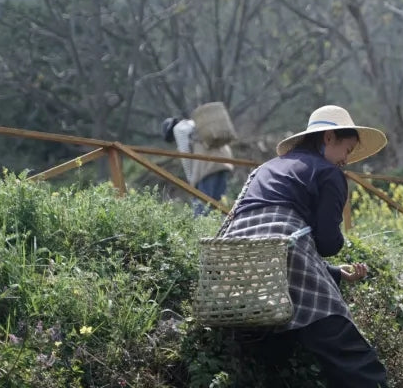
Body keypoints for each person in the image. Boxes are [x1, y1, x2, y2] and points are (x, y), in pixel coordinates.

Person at [221, 104, 390, 388]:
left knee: (274, 350)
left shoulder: (267, 168)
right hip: (285, 254)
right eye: (347, 151)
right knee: (347, 350)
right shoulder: (328, 173)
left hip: (238, 256)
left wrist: (334, 273)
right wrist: (337, 246)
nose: (346, 161)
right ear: (328, 138)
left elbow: (271, 234)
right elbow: (325, 242)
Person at [161, 101, 236, 215]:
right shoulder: (194, 124)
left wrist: (192, 181)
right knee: (218, 205)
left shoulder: (179, 129)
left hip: (207, 166)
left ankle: (202, 233)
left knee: (201, 207)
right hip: (224, 161)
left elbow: (185, 155)